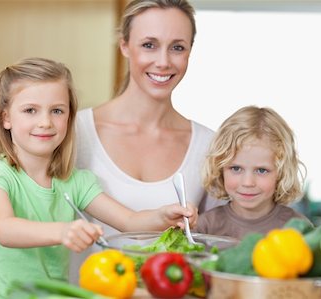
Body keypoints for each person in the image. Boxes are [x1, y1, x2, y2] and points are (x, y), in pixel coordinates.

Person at [0, 57, 197, 299]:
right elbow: (6, 230)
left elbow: (129, 221)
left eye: (57, 111)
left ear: (69, 117)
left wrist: (163, 216)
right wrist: (63, 231)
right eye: (30, 110)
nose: (45, 122)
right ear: (6, 118)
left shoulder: (74, 181)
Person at [72, 0, 223, 282]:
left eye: (177, 47)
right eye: (149, 45)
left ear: (190, 52)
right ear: (125, 46)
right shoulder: (74, 132)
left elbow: (216, 241)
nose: (163, 61)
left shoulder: (209, 145)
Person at [195, 105, 311, 239]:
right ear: (220, 169)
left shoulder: (299, 229)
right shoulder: (205, 227)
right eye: (236, 168)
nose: (248, 182)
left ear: (281, 173)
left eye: (261, 170)